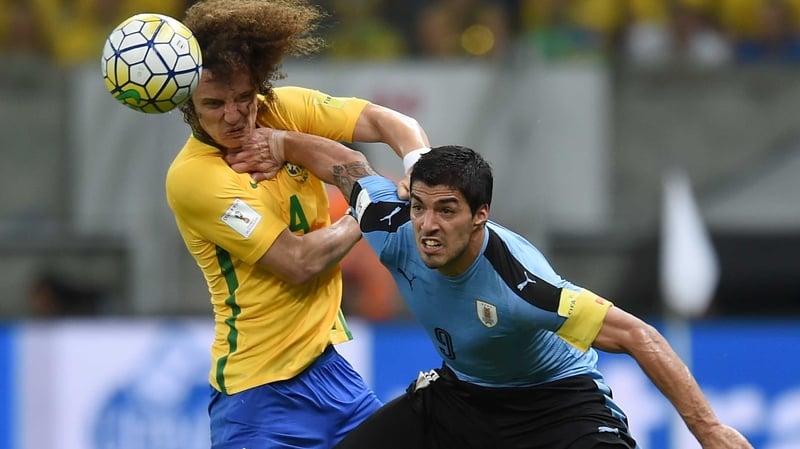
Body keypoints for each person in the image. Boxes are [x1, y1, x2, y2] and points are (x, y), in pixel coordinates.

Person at [226, 137, 754, 449]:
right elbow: (348, 167)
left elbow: (640, 336)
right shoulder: (392, 228)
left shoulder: (522, 285)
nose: (427, 225)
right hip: (462, 396)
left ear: (481, 215)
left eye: (447, 210)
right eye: (420, 206)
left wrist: (707, 429)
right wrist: (276, 143)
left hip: (558, 407)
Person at [165, 1, 430, 448]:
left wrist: (421, 169)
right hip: (258, 398)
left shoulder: (283, 111)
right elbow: (299, 261)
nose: (233, 116)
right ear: (189, 106)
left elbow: (393, 122)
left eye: (243, 98)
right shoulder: (194, 178)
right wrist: (374, 205)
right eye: (213, 104)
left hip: (331, 374)